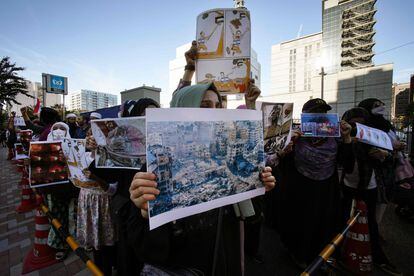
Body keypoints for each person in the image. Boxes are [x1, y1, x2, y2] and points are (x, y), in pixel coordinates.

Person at [127, 41, 273, 275]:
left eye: (218, 105)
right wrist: (147, 213)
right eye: (204, 105)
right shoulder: (157, 164)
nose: (214, 112)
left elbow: (250, 218)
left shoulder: (228, 155)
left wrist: (257, 186)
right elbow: (146, 247)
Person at [86, 98, 161, 275]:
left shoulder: (163, 144)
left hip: (155, 210)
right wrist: (97, 150)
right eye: (146, 115)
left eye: (155, 114)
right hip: (130, 212)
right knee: (130, 258)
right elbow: (106, 174)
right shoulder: (124, 142)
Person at [276, 98, 352, 268]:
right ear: (305, 116)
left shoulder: (335, 136)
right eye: (314, 113)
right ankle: (297, 254)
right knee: (300, 222)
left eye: (323, 113)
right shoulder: (295, 135)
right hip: (300, 188)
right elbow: (279, 162)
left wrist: (347, 138)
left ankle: (320, 256)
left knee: (323, 223)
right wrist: (289, 143)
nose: (320, 117)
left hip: (326, 187)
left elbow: (348, 164)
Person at [341, 107, 402, 275]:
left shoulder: (372, 136)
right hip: (348, 185)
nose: (357, 128)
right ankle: (339, 254)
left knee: (371, 225)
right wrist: (347, 138)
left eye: (361, 125)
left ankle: (378, 257)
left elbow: (390, 155)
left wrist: (384, 153)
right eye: (354, 124)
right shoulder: (343, 137)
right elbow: (344, 163)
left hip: (370, 186)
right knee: (343, 220)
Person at [358, 99, 396, 225]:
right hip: (367, 174)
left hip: (386, 171)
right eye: (376, 106)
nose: (381, 107)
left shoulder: (388, 125)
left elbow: (391, 146)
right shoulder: (362, 127)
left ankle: (375, 229)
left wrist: (390, 151)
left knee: (382, 202)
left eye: (381, 105)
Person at [44, 122, 79, 260]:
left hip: (71, 188)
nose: (59, 131)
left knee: (72, 214)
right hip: (53, 188)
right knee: (57, 216)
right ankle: (60, 245)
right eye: (56, 128)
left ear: (68, 131)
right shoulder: (43, 148)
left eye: (63, 128)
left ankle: (75, 241)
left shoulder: (74, 146)